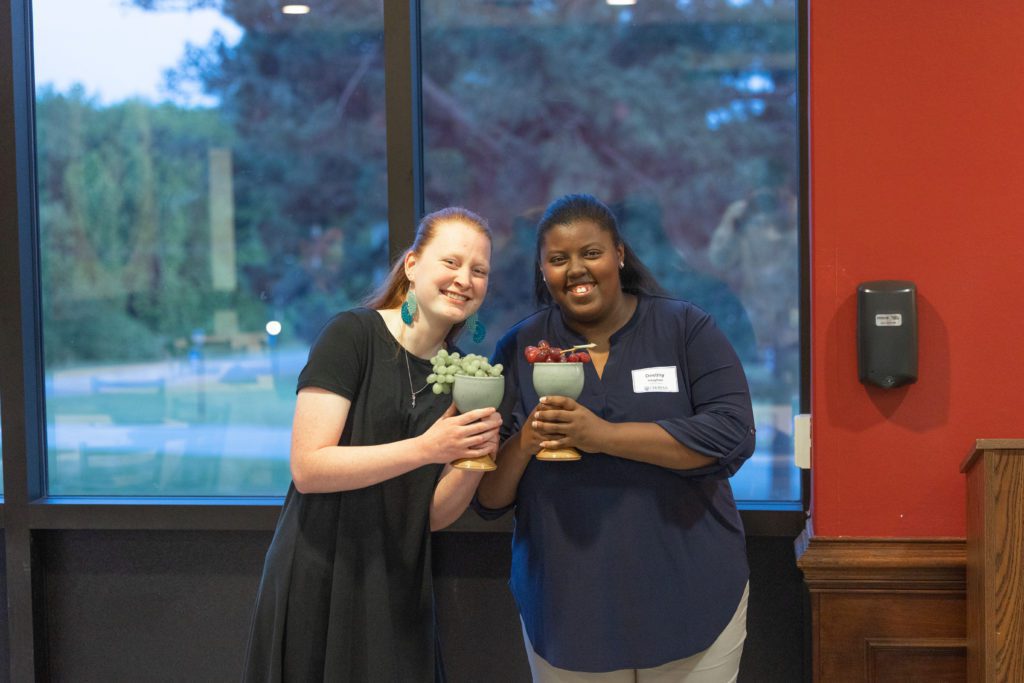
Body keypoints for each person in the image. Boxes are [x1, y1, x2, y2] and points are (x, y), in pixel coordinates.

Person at [476, 194, 756, 681]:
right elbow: (489, 495)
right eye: (558, 260)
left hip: (692, 597)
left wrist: (603, 436)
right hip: (567, 612)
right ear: (543, 271)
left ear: (619, 255)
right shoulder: (521, 346)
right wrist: (524, 443)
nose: (576, 270)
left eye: (591, 252)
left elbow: (732, 434)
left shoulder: (685, 329)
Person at [242, 207, 503, 682]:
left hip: (395, 584)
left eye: (479, 270)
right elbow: (309, 467)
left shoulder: (464, 375)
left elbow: (432, 516)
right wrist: (429, 448)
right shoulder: (352, 335)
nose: (464, 279)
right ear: (412, 266)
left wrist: (474, 455)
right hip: (318, 571)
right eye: (451, 262)